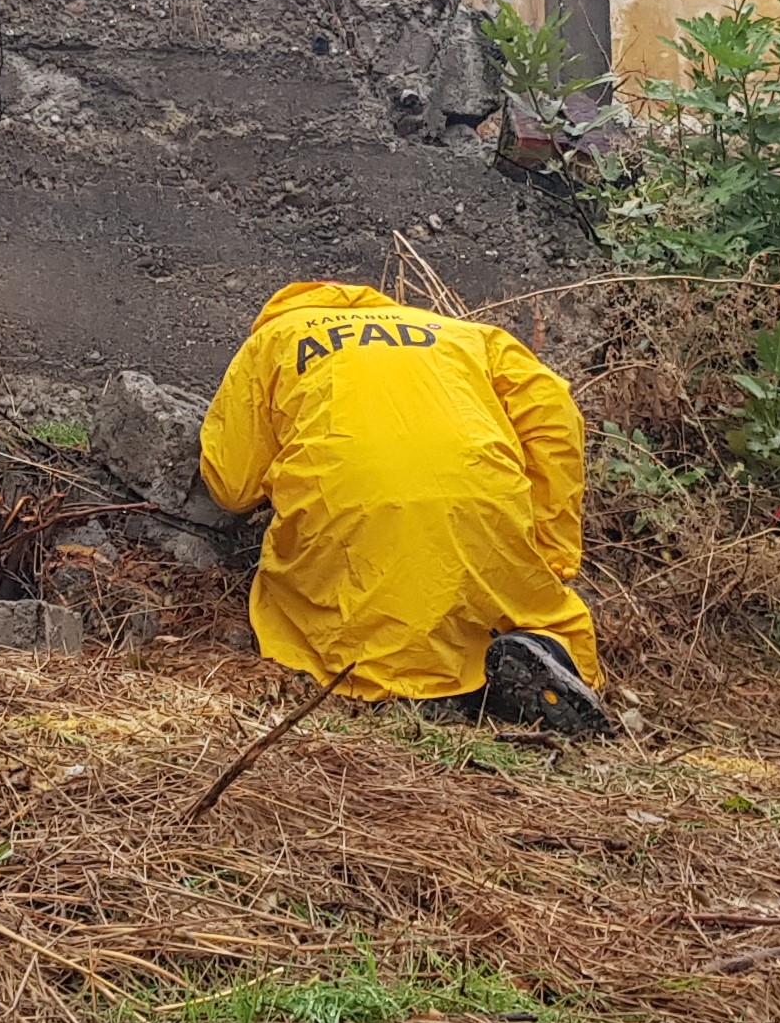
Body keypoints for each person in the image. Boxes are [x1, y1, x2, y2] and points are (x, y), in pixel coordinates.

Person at [198, 278, 609, 733]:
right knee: (529, 611)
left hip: (350, 517)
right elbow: (554, 418)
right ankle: (541, 657)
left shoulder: (274, 340)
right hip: (484, 502)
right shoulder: (461, 333)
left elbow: (231, 487)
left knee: (343, 624)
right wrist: (554, 550)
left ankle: (412, 691)